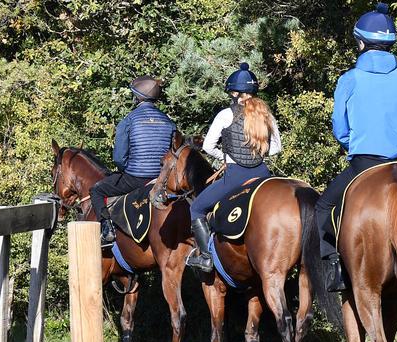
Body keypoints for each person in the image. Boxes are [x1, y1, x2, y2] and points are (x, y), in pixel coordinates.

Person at [316, 2, 397, 291]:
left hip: (364, 163)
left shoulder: (349, 79)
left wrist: (356, 142)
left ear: (361, 42)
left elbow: (340, 130)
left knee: (324, 207)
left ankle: (336, 270)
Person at [188, 63, 282, 272]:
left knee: (196, 208)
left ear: (236, 93)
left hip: (235, 176)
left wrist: (226, 157)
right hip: (263, 175)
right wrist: (257, 153)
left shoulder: (225, 114)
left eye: (232, 91)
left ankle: (205, 258)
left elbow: (207, 146)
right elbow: (276, 148)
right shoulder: (265, 113)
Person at [90, 76, 176, 246]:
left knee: (96, 190)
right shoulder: (169, 122)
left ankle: (107, 230)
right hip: (162, 180)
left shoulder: (129, 120)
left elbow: (119, 158)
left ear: (137, 97)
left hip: (135, 178)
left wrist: (126, 170)